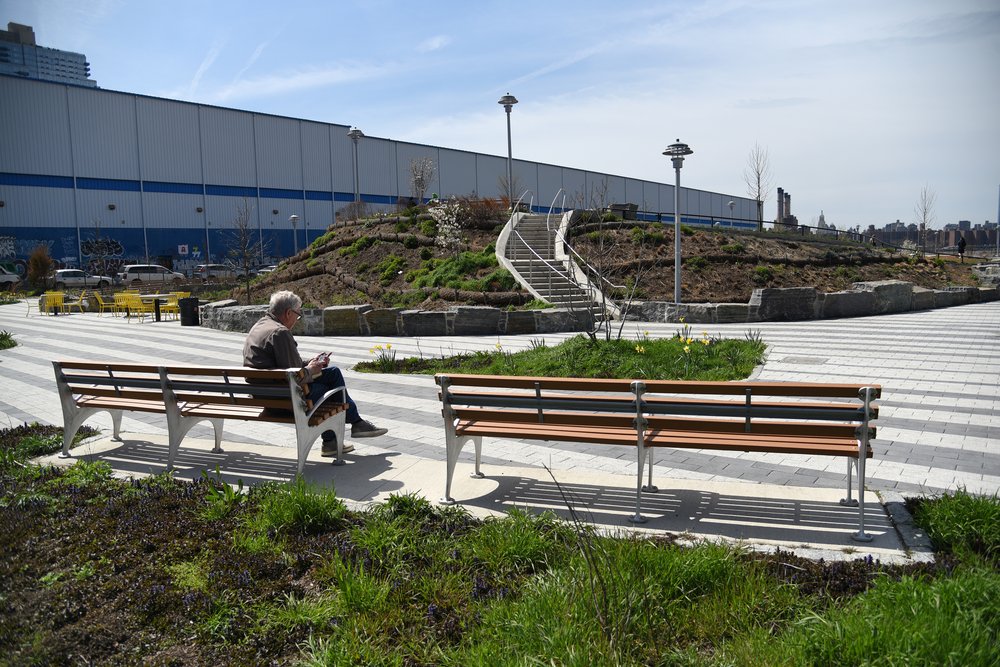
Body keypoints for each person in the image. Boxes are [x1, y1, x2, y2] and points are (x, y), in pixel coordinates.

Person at [243, 290, 387, 456]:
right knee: (332, 392)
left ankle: (339, 436)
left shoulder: (259, 326)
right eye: (298, 315)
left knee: (332, 373)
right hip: (287, 401)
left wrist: (311, 364)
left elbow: (287, 367)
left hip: (267, 397)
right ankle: (350, 427)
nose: (297, 320)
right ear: (288, 312)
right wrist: (311, 370)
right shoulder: (280, 332)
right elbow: (295, 378)